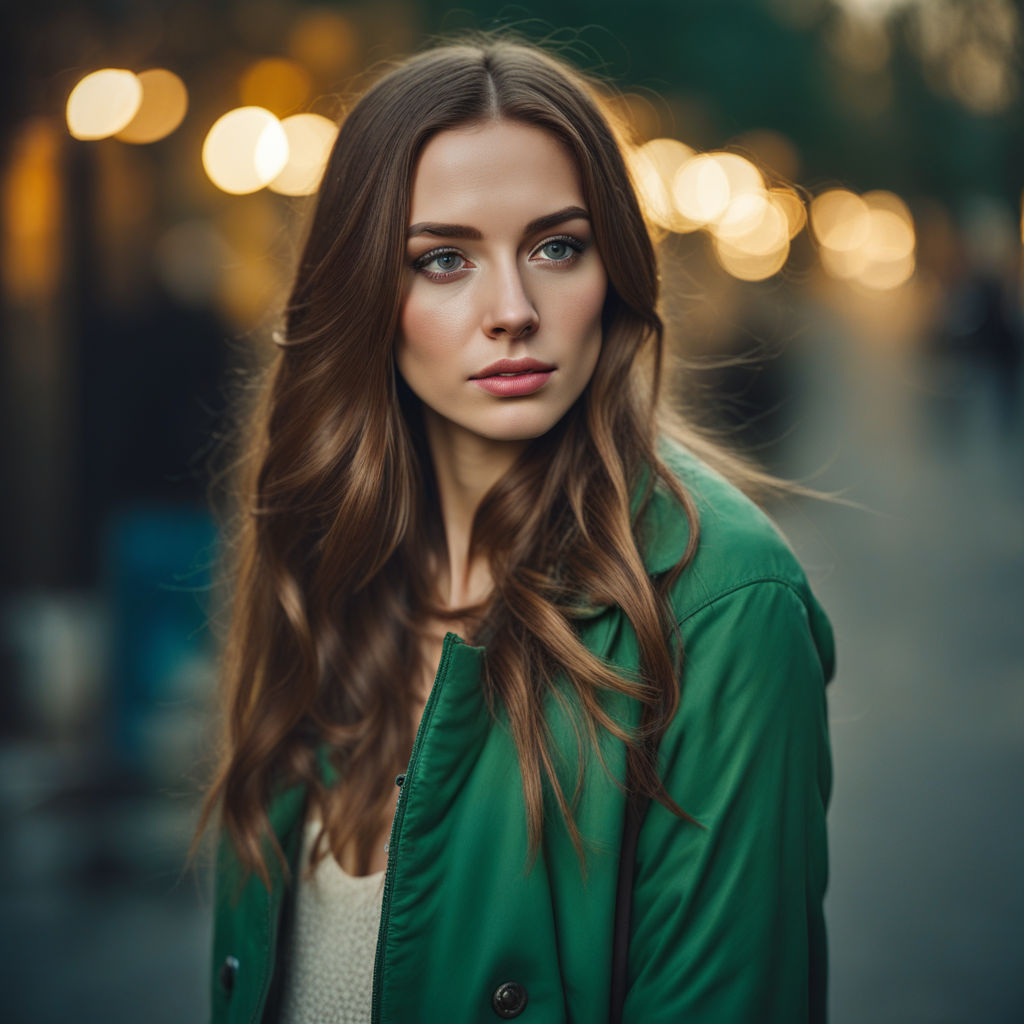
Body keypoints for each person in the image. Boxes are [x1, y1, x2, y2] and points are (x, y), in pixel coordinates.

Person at [193, 31, 837, 1024]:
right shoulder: (328, 560)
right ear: (366, 291)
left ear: (613, 270)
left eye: (556, 247)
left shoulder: (723, 601)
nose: (512, 310)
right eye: (442, 259)